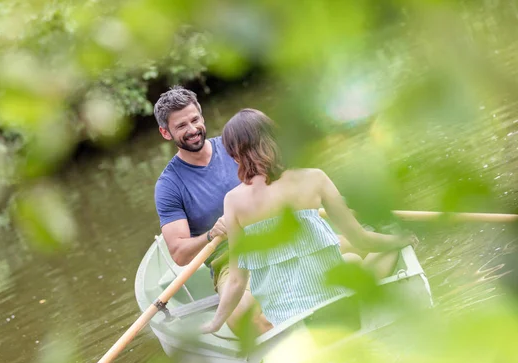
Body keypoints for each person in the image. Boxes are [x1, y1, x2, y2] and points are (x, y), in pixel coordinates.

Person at [201, 108, 418, 333]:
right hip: (336, 300)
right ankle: (366, 301)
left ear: (236, 155)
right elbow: (360, 238)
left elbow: (237, 280)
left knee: (349, 259)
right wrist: (399, 240)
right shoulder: (315, 177)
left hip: (286, 318)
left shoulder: (233, 201)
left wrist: (215, 323)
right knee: (358, 256)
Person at [153, 87, 273, 336]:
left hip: (273, 236)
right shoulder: (169, 185)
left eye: (195, 119)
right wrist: (210, 235)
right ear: (165, 132)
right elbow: (179, 254)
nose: (192, 129)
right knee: (242, 315)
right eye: (181, 126)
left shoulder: (235, 147)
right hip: (229, 260)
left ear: (202, 115)